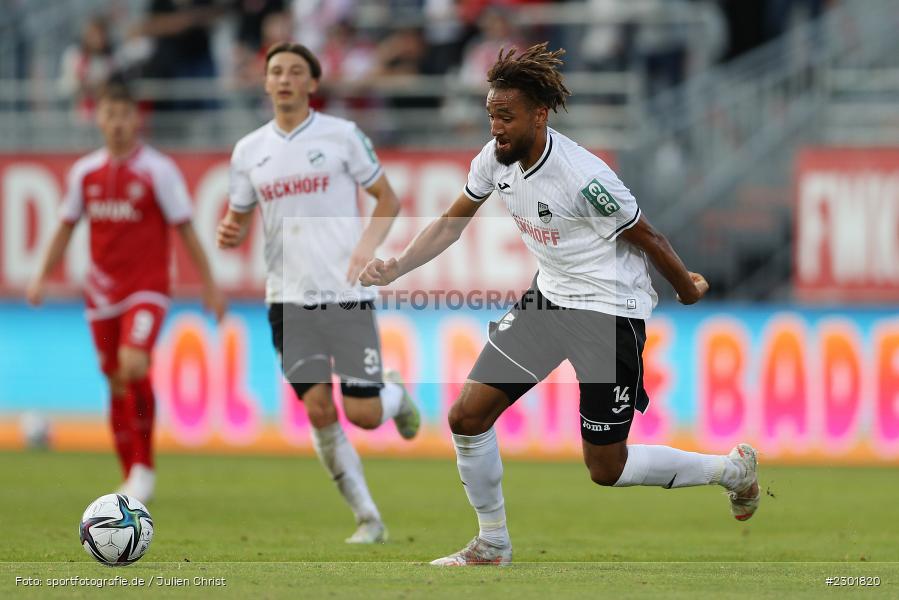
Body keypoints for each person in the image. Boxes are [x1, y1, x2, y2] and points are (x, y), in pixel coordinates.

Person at [359, 43, 760, 565]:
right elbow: (449, 225)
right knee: (467, 415)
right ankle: (492, 543)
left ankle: (732, 471)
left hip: (609, 312)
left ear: (539, 114)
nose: (496, 127)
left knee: (605, 469)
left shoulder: (583, 177)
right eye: (491, 115)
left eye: (506, 116)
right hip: (549, 299)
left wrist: (687, 289)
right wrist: (397, 267)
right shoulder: (493, 160)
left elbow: (651, 237)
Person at [216, 42, 420, 544]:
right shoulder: (248, 152)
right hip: (287, 298)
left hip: (345, 293)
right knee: (318, 409)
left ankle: (394, 396)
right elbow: (238, 218)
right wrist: (230, 231)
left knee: (364, 415)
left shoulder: (342, 136)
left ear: (312, 83)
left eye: (294, 71)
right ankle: (368, 518)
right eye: (276, 71)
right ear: (265, 83)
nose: (284, 79)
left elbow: (387, 200)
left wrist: (366, 249)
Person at [27, 85, 226, 504]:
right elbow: (65, 226)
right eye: (109, 115)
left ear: (137, 119)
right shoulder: (85, 173)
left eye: (124, 114)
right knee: (115, 380)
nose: (117, 123)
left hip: (147, 287)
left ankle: (144, 467)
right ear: (98, 119)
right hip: (100, 291)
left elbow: (185, 228)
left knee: (133, 363)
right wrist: (41, 276)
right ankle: (129, 475)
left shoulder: (158, 170)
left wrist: (209, 284)